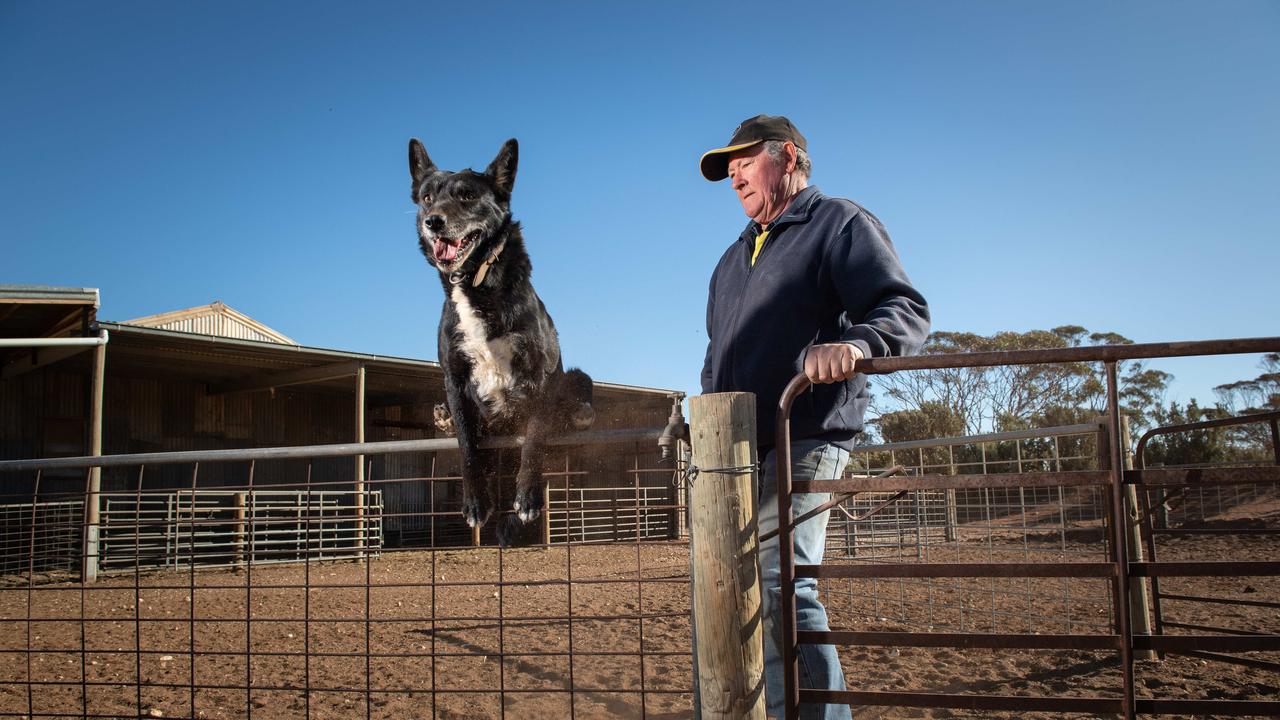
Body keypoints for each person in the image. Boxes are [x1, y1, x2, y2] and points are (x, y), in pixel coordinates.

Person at [699, 115, 930, 719]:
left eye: (745, 161)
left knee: (781, 585)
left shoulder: (838, 224)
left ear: (790, 159)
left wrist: (857, 345)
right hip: (733, 452)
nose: (735, 177)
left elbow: (901, 307)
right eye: (729, 169)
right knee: (722, 589)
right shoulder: (729, 262)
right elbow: (715, 356)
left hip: (804, 432)